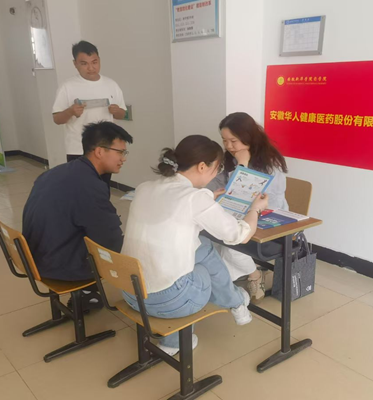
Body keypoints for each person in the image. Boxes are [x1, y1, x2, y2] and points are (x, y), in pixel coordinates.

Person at [121, 135, 269, 356]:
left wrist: (208, 199)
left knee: (199, 247)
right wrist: (255, 209)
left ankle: (179, 337)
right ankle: (235, 303)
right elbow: (240, 235)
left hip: (130, 293)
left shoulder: (145, 188)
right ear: (202, 166)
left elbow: (176, 207)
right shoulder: (195, 199)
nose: (216, 174)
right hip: (170, 301)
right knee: (204, 260)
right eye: (217, 169)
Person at [23, 121, 133, 308]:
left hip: (33, 255)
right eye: (120, 152)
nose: (123, 159)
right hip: (57, 265)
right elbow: (109, 239)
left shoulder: (58, 172)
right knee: (131, 248)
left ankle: (87, 293)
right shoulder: (88, 185)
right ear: (99, 151)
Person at [207, 112, 289, 303]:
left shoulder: (270, 163)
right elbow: (215, 186)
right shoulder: (230, 158)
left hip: (268, 220)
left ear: (248, 137)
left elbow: (269, 204)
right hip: (239, 216)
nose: (229, 146)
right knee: (208, 237)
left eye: (233, 141)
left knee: (229, 244)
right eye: (224, 140)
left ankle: (253, 275)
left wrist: (242, 165)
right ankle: (227, 279)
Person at [52, 40, 126, 170]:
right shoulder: (67, 87)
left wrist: (117, 111)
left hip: (105, 148)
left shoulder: (111, 85)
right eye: (84, 63)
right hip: (78, 149)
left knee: (102, 182)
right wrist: (70, 111)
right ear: (75, 64)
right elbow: (57, 119)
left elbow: (122, 114)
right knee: (80, 182)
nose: (91, 68)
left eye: (94, 62)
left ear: (99, 60)